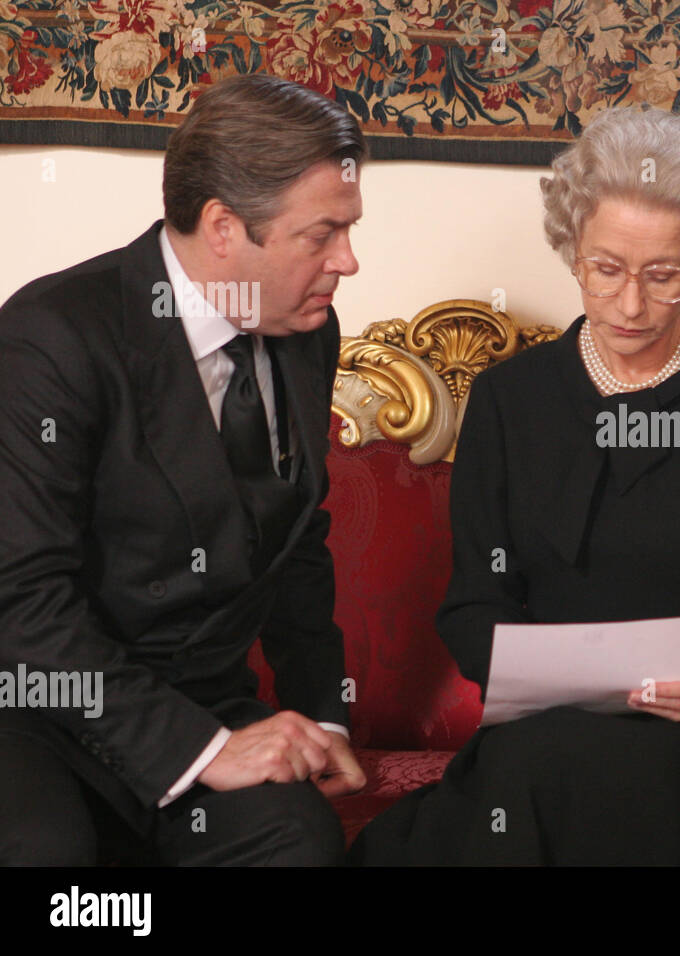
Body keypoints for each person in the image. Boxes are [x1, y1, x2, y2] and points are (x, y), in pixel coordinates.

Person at [349, 105, 680, 865]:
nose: (630, 305)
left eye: (663, 276)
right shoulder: (510, 400)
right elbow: (473, 604)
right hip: (556, 727)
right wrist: (533, 674)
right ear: (572, 250)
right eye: (606, 269)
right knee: (535, 770)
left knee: (626, 776)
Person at [0, 74, 367, 865]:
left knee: (297, 840)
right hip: (38, 715)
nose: (350, 260)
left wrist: (322, 716)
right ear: (225, 227)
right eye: (322, 235)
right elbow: (22, 601)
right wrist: (204, 753)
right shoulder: (52, 336)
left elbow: (299, 539)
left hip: (203, 699)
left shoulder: (306, 328)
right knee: (48, 857)